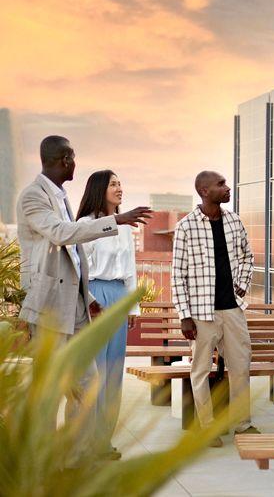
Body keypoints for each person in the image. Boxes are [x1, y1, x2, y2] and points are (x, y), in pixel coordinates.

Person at [16, 135, 152, 463]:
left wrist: (85, 295)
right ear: (64, 159)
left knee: (89, 381)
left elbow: (74, 258)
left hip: (76, 304)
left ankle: (77, 455)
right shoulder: (34, 196)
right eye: (73, 158)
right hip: (49, 306)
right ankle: (44, 457)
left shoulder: (59, 196)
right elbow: (62, 234)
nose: (76, 164)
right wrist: (116, 220)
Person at [171, 171, 256, 446]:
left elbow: (247, 255)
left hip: (232, 310)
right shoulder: (186, 227)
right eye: (221, 184)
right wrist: (184, 316)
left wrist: (241, 283)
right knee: (200, 371)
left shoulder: (234, 221)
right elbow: (177, 275)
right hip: (201, 313)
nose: (227, 187)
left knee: (241, 367)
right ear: (205, 191)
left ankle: (243, 425)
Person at [76, 170, 140, 460]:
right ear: (99, 189)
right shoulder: (85, 225)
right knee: (95, 373)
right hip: (94, 298)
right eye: (113, 183)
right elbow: (78, 270)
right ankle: (85, 443)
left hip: (118, 297)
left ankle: (104, 441)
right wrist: (90, 300)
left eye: (120, 182)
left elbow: (130, 270)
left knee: (114, 371)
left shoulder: (125, 228)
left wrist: (132, 305)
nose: (119, 187)